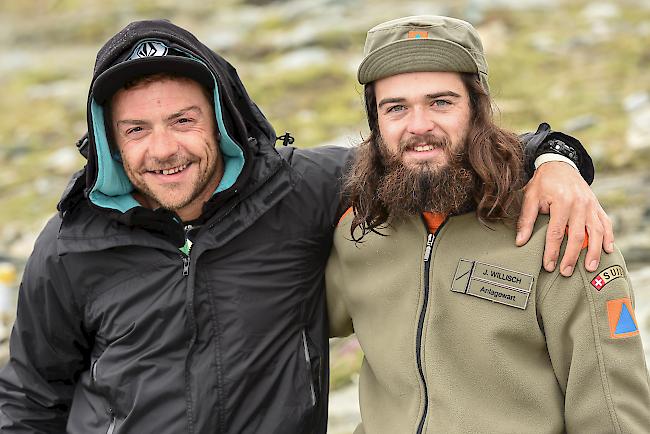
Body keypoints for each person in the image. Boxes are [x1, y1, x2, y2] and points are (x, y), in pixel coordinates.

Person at [0, 19, 611, 434]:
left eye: (184, 119)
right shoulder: (70, 245)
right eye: (136, 130)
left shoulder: (298, 190)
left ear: (221, 118)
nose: (163, 149)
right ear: (110, 140)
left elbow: (427, 150)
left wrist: (557, 158)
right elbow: (29, 400)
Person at [326, 15, 650, 434]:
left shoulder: (560, 232)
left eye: (441, 102)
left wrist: (556, 158)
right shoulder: (360, 229)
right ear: (376, 122)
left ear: (478, 108)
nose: (419, 125)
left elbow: (614, 415)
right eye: (396, 108)